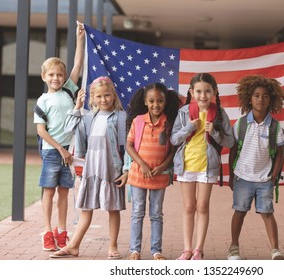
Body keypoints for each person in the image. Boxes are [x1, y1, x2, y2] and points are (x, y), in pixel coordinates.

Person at [50, 76, 127, 259]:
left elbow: (126, 146)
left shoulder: (121, 117)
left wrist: (125, 170)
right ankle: (74, 246)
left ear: (113, 95)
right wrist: (77, 106)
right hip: (91, 169)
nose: (103, 100)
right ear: (92, 98)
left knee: (113, 208)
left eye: (107, 95)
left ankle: (112, 247)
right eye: (99, 97)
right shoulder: (88, 118)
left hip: (111, 169)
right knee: (86, 208)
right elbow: (68, 128)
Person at [171, 73, 235, 260]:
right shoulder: (183, 113)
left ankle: (198, 249)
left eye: (207, 91)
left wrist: (214, 132)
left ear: (214, 92)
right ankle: (187, 249)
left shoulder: (220, 113)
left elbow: (230, 142)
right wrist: (189, 128)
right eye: (198, 91)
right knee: (189, 206)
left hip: (208, 166)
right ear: (191, 92)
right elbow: (174, 139)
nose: (203, 95)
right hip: (187, 164)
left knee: (202, 205)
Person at [33, 21, 85, 251]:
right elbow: (41, 131)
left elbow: (78, 63)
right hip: (53, 152)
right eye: (51, 75)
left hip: (68, 152)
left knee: (64, 192)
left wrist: (80, 39)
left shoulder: (67, 91)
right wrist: (61, 149)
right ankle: (47, 230)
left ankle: (62, 231)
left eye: (59, 74)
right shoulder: (42, 101)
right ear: (44, 76)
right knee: (49, 192)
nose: (56, 78)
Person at [227, 74, 284, 260]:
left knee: (267, 213)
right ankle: (234, 247)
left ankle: (275, 250)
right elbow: (232, 151)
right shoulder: (241, 124)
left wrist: (274, 175)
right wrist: (231, 175)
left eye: (265, 96)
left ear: (272, 100)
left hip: (264, 179)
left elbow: (279, 153)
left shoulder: (275, 127)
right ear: (249, 98)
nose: (261, 99)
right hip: (243, 177)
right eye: (256, 95)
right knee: (239, 211)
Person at [125, 83, 181, 260]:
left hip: (159, 176)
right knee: (137, 212)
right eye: (151, 101)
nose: (155, 104)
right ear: (145, 101)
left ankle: (156, 250)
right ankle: (135, 250)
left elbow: (173, 150)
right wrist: (141, 163)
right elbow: (129, 145)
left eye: (160, 101)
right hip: (138, 175)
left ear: (165, 102)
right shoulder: (138, 121)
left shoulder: (169, 123)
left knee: (156, 214)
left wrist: (164, 166)